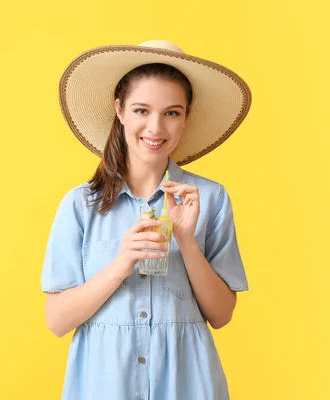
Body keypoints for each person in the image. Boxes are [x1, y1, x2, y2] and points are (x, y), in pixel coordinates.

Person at [41, 40, 252, 400]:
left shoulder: (210, 200)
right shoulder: (81, 205)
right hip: (104, 386)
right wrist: (120, 264)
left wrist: (186, 241)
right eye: (142, 110)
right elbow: (57, 320)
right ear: (120, 110)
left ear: (187, 116)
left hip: (188, 385)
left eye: (172, 112)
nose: (156, 128)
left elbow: (221, 315)